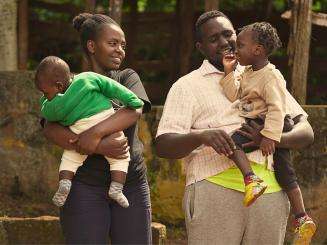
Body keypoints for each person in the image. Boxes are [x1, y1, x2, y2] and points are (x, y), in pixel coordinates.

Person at [155, 10, 314, 245]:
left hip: (271, 192)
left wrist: (269, 139)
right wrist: (202, 136)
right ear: (200, 47)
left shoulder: (264, 75)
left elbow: (306, 131)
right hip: (214, 190)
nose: (224, 42)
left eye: (228, 34)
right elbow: (164, 144)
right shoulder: (186, 86)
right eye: (213, 39)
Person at [42, 13, 152, 244]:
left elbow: (134, 109)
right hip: (83, 186)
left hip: (130, 184)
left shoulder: (126, 78)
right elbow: (50, 128)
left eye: (122, 45)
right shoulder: (68, 85)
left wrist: (94, 135)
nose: (120, 50)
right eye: (112, 43)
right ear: (91, 46)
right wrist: (101, 147)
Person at [220, 21, 316, 242]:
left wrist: (270, 137)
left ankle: (300, 216)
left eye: (240, 46)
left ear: (257, 50)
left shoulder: (271, 76)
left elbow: (277, 107)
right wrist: (228, 72)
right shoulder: (246, 72)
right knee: (233, 144)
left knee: (284, 173)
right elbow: (236, 95)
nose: (235, 50)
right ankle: (257, 183)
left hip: (275, 125)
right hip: (259, 125)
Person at [36, 56, 144, 208]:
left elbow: (47, 119)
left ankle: (65, 182)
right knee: (121, 156)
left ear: (59, 86)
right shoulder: (87, 79)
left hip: (79, 130)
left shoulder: (54, 105)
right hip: (107, 122)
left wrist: (45, 103)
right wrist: (133, 100)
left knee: (70, 157)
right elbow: (112, 87)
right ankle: (117, 188)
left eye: (45, 93)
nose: (45, 96)